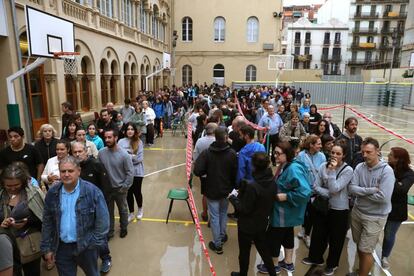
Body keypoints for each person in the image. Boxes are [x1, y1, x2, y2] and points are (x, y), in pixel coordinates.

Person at [41, 156, 109, 276]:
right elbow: (47, 222)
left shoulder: (92, 192)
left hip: (86, 247)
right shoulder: (53, 193)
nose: (66, 174)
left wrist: (93, 244)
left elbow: (103, 222)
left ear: (78, 171)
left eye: (70, 171)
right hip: (62, 248)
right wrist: (47, 248)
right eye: (63, 171)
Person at [257, 141, 311, 274]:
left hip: (282, 212)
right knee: (287, 236)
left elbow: (305, 192)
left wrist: (287, 196)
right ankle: (288, 262)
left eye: (278, 153)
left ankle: (274, 265)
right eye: (274, 152)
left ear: (287, 154)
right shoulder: (285, 165)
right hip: (287, 213)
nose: (275, 156)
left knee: (273, 238)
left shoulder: (293, 169)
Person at [302, 142, 353, 275]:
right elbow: (316, 186)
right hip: (323, 206)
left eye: (338, 153)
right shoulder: (322, 166)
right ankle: (315, 258)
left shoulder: (348, 170)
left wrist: (331, 172)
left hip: (339, 210)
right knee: (318, 233)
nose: (334, 156)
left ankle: (332, 264)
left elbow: (335, 188)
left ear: (344, 155)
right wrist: (329, 193)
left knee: (336, 238)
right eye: (332, 153)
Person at [347, 137, 395, 276]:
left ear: (377, 152)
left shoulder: (386, 171)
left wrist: (360, 191)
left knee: (365, 250)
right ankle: (361, 271)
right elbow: (352, 188)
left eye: (368, 152)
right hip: (357, 212)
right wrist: (371, 190)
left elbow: (384, 198)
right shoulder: (359, 167)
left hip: (374, 217)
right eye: (363, 152)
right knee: (360, 246)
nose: (365, 155)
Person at [229, 152, 276, 276]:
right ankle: (272, 273)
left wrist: (233, 198)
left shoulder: (253, 186)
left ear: (253, 166)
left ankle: (243, 274)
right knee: (264, 251)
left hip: (247, 226)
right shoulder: (273, 182)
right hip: (262, 223)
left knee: (244, 253)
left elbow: (244, 209)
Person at [193, 127, 238, 255]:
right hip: (226, 190)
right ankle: (222, 236)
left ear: (215, 138)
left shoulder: (207, 153)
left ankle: (217, 244)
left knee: (214, 216)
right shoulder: (232, 153)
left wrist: (207, 173)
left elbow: (197, 170)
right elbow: (235, 173)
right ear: (225, 138)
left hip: (211, 189)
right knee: (223, 213)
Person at [71, 142, 112, 273]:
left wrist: (101, 210)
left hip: (96, 210)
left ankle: (106, 258)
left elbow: (106, 188)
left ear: (86, 151)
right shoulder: (72, 169)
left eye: (80, 151)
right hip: (79, 211)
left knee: (100, 237)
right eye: (75, 152)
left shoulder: (96, 165)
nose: (77, 154)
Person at [1, 163, 45, 276]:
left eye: (16, 184)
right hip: (7, 247)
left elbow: (44, 218)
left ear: (23, 182)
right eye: (8, 186)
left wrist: (27, 221)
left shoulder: (33, 194)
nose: (12, 188)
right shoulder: (1, 196)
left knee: (32, 273)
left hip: (30, 246)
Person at [380, 147, 414, 269]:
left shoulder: (409, 174)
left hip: (396, 210)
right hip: (379, 205)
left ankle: (385, 256)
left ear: (398, 159)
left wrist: (389, 178)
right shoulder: (385, 166)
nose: (388, 156)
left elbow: (401, 190)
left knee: (389, 234)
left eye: (391, 155)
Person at [98, 129, 134, 238]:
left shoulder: (124, 155)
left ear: (116, 138)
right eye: (106, 138)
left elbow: (130, 173)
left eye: (110, 137)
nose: (107, 140)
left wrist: (124, 187)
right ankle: (110, 231)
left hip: (120, 189)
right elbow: (99, 171)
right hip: (107, 189)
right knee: (108, 212)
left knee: (123, 210)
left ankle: (124, 228)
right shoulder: (101, 153)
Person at [296, 135, 326, 248]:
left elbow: (323, 173)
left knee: (312, 212)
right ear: (311, 145)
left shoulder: (322, 156)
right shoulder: (301, 156)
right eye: (318, 143)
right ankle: (304, 228)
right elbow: (298, 172)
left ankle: (307, 234)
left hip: (316, 191)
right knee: (304, 211)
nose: (320, 146)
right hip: (304, 190)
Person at [118, 123, 145, 222]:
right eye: (128, 129)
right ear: (125, 131)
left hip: (137, 172)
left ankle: (140, 209)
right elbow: (119, 157)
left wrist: (127, 157)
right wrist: (131, 156)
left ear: (135, 131)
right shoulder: (121, 142)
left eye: (132, 129)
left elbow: (139, 159)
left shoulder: (139, 142)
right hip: (125, 172)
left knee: (137, 192)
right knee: (128, 192)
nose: (130, 131)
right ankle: (131, 212)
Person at [193, 123, 218, 222]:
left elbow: (195, 157)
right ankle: (214, 215)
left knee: (205, 194)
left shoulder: (200, 141)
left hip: (204, 174)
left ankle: (204, 213)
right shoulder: (218, 141)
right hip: (216, 173)